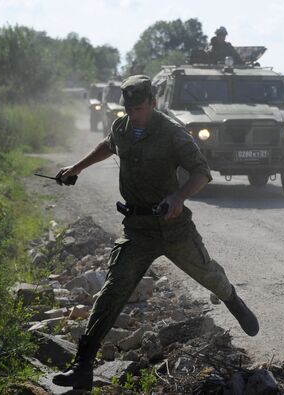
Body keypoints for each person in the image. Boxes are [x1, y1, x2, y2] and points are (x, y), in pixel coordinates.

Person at [52, 75, 259, 390]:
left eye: (139, 108)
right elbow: (108, 145)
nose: (135, 114)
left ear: (153, 102)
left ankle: (233, 300)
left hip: (174, 228)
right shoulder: (122, 128)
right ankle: (82, 366)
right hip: (138, 230)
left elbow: (202, 172)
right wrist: (76, 168)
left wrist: (178, 197)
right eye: (130, 109)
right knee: (112, 291)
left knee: (209, 275)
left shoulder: (172, 133)